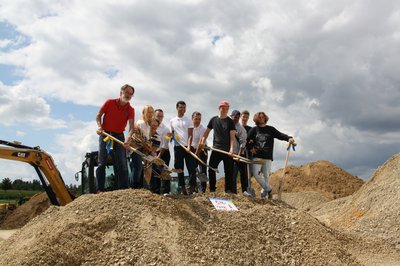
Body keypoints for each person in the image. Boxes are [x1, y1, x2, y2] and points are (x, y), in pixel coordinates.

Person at [96, 84, 135, 193]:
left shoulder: (130, 110)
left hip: (119, 136)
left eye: (131, 94)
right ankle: (99, 189)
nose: (128, 95)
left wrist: (128, 138)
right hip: (105, 134)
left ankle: (123, 190)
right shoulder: (109, 102)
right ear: (121, 92)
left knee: (122, 163)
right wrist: (99, 126)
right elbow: (98, 115)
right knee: (102, 162)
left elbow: (131, 127)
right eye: (127, 92)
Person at [246, 112, 295, 199]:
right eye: (259, 117)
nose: (261, 118)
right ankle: (269, 189)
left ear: (265, 118)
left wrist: (288, 138)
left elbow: (280, 135)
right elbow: (246, 140)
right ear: (256, 119)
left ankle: (264, 195)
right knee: (256, 174)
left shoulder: (270, 129)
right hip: (257, 156)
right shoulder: (254, 130)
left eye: (263, 117)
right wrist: (250, 148)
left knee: (266, 176)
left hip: (267, 157)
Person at [199, 100, 235, 193]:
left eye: (226, 108)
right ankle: (212, 189)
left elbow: (232, 137)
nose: (224, 110)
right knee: (211, 169)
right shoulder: (213, 120)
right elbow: (206, 133)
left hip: (227, 150)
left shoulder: (230, 121)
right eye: (223, 108)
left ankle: (228, 190)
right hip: (216, 149)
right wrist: (202, 142)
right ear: (219, 108)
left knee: (229, 171)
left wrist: (231, 149)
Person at [169, 101, 196, 195]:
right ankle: (182, 187)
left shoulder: (188, 120)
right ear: (177, 108)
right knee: (179, 168)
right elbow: (172, 134)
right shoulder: (172, 121)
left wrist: (188, 146)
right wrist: (171, 138)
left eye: (184, 108)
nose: (183, 109)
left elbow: (190, 135)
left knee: (192, 168)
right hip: (178, 147)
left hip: (188, 147)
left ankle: (192, 188)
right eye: (181, 107)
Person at [130, 105, 155, 188]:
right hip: (136, 148)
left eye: (152, 112)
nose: (150, 114)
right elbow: (140, 139)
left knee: (144, 168)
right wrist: (149, 149)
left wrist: (149, 149)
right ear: (144, 113)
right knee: (137, 167)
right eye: (148, 112)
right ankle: (134, 186)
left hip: (144, 148)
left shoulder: (148, 124)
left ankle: (140, 186)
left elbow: (147, 139)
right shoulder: (141, 123)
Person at [230, 110, 248, 194]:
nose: (236, 119)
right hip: (230, 153)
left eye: (237, 117)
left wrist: (238, 155)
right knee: (232, 174)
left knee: (243, 174)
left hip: (240, 154)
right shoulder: (228, 126)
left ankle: (245, 191)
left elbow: (243, 143)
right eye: (234, 117)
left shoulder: (241, 128)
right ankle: (233, 192)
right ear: (231, 116)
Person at [155, 109, 172, 194]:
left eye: (161, 116)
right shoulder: (150, 126)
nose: (160, 118)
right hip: (153, 152)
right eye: (158, 116)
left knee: (165, 171)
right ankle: (156, 191)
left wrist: (159, 156)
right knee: (155, 172)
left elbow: (165, 145)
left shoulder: (166, 129)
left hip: (164, 152)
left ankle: (166, 191)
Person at [192, 111, 208, 193]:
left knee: (202, 170)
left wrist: (196, 154)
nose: (197, 120)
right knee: (192, 169)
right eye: (196, 119)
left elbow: (201, 143)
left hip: (202, 150)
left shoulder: (203, 129)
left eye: (199, 119)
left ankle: (203, 190)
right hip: (192, 150)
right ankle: (193, 188)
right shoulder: (190, 128)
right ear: (192, 119)